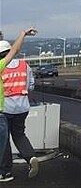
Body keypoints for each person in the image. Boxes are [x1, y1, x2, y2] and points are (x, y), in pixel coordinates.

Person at [0, 28, 36, 183]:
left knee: (4, 140)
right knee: (20, 135)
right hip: (23, 107)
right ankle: (31, 157)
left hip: (5, 108)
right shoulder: (24, 65)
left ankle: (6, 172)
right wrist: (23, 34)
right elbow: (31, 85)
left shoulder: (2, 66)